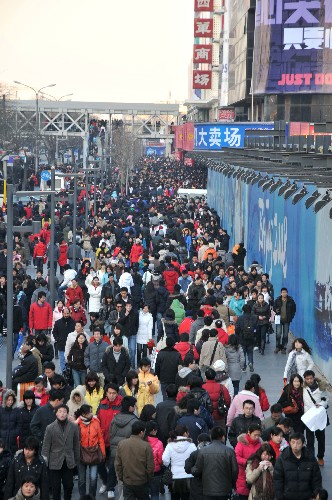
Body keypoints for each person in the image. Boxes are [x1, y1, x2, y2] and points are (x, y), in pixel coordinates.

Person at [41, 404, 80, 500]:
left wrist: (76, 460)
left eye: (64, 412)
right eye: (60, 412)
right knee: (56, 487)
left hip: (68, 460)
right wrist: (45, 461)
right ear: (56, 413)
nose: (62, 414)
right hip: (54, 461)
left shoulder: (74, 426)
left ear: (67, 413)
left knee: (69, 485)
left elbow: (76, 444)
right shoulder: (50, 428)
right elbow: (46, 446)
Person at [191, 426, 238, 500]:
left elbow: (197, 470)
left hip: (208, 489)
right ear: (223, 437)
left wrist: (192, 469)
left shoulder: (203, 451)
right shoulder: (229, 451)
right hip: (225, 489)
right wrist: (232, 484)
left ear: (211, 436)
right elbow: (235, 470)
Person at [273, 432, 322, 499]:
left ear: (303, 444)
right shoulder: (283, 458)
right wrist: (279, 497)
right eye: (293, 442)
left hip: (306, 496)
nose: (295, 445)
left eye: (298, 443)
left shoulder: (310, 459)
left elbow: (316, 479)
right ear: (289, 443)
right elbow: (278, 480)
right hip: (287, 496)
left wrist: (317, 495)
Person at [115, 420, 154, 500]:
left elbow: (118, 464)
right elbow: (150, 467)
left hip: (128, 481)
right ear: (141, 432)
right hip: (142, 482)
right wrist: (148, 478)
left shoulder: (121, 444)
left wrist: (122, 478)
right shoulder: (146, 446)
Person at [108, 396, 138, 499]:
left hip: (115, 453)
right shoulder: (134, 422)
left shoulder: (114, 419)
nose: (135, 407)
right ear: (130, 407)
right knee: (130, 481)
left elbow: (110, 435)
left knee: (120, 479)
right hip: (129, 455)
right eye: (134, 405)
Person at [96, 384, 122, 495]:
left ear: (117, 393)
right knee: (99, 463)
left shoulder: (121, 406)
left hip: (115, 441)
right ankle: (106, 482)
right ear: (106, 393)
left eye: (114, 393)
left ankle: (110, 488)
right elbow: (97, 421)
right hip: (102, 439)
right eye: (109, 393)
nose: (111, 395)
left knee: (112, 465)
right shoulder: (101, 405)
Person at [75, 404, 106, 499]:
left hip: (94, 452)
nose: (92, 414)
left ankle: (92, 497)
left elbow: (100, 438)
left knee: (93, 478)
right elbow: (75, 441)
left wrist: (103, 452)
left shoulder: (96, 422)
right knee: (81, 480)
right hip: (81, 453)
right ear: (84, 414)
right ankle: (82, 497)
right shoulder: (77, 424)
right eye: (89, 412)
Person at [162, 424, 196, 500]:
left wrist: (168, 465)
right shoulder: (192, 445)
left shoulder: (170, 445)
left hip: (174, 476)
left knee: (174, 497)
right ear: (184, 433)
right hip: (188, 476)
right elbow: (197, 459)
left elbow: (165, 460)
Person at [303, 370, 329, 466]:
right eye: (307, 379)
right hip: (309, 417)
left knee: (321, 438)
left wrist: (321, 404)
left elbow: (326, 400)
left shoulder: (321, 387)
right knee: (310, 440)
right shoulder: (303, 388)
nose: (309, 380)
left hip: (319, 417)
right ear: (305, 379)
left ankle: (320, 456)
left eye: (311, 378)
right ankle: (311, 458)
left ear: (314, 378)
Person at [234, 423, 262, 499]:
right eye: (255, 435)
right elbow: (236, 457)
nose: (257, 437)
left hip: (256, 474)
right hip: (243, 474)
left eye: (258, 435)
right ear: (249, 433)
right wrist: (247, 462)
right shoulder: (241, 443)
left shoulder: (260, 444)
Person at [184, 433, 211, 500]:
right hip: (212, 485)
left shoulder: (194, 454)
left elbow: (187, 469)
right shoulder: (214, 452)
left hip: (197, 486)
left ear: (198, 441)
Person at [273, 287, 296, 354]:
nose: (284, 293)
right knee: (278, 334)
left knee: (285, 335)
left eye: (285, 292)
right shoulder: (277, 300)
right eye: (283, 292)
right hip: (279, 320)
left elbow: (294, 310)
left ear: (287, 293)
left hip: (287, 320)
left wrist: (291, 317)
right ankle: (277, 347)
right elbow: (274, 307)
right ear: (281, 293)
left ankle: (284, 348)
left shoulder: (290, 300)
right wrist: (276, 310)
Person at [52, 308, 76, 373]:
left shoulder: (74, 323)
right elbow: (54, 332)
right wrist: (58, 339)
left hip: (71, 346)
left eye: (67, 313)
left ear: (70, 313)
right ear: (62, 314)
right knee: (62, 361)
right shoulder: (58, 323)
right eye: (65, 313)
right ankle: (64, 373)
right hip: (61, 345)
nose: (66, 315)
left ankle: (70, 374)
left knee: (71, 360)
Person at [145, 421, 164, 500]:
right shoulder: (159, 443)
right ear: (153, 430)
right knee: (155, 493)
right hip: (156, 471)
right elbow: (160, 460)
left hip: (144, 471)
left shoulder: (143, 441)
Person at [118, 301, 139, 368]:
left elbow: (137, 323)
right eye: (127, 306)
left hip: (132, 334)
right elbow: (120, 322)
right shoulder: (122, 312)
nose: (128, 307)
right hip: (125, 334)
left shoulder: (135, 313)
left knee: (132, 350)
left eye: (130, 306)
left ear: (132, 306)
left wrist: (135, 331)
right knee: (125, 350)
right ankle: (126, 365)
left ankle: (132, 365)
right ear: (125, 306)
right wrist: (125, 315)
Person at [0, 390, 20, 455]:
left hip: (13, 441)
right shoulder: (1, 410)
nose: (10, 402)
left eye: (12, 400)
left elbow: (19, 424)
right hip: (2, 440)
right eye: (8, 400)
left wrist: (15, 433)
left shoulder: (16, 410)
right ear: (4, 400)